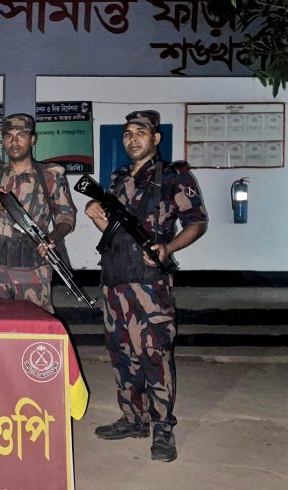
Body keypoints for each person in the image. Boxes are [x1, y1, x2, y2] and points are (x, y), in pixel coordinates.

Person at [84, 110, 208, 462]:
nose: (132, 138)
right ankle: (133, 419)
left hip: (150, 285)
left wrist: (168, 247)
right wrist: (97, 216)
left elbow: (197, 222)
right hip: (113, 282)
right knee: (122, 354)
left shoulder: (173, 176)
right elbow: (114, 234)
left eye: (140, 132)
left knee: (155, 355)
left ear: (156, 138)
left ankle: (163, 428)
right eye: (127, 133)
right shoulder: (119, 178)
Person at [0, 113, 77, 313]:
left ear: (33, 139)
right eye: (8, 136)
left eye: (21, 135)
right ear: (3, 141)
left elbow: (66, 216)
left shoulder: (49, 176)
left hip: (33, 270)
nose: (14, 141)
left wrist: (52, 238)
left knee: (34, 325)